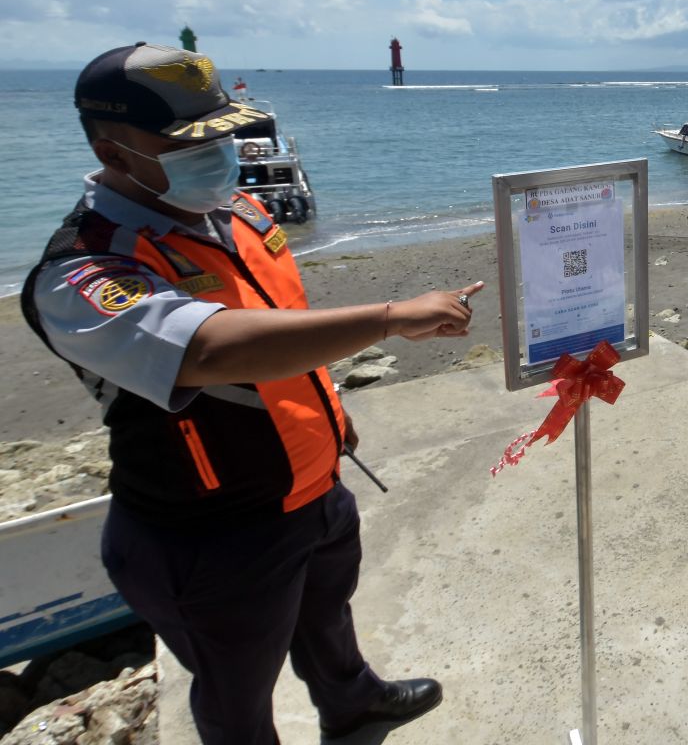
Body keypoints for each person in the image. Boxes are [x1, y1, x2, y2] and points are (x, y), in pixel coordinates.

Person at [21, 42, 482, 744]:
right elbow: (206, 347)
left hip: (311, 482)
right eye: (190, 143)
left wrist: (329, 409)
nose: (223, 152)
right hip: (210, 527)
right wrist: (389, 318)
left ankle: (352, 700)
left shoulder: (232, 213)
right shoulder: (84, 270)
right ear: (114, 154)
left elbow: (283, 326)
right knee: (237, 685)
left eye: (227, 132)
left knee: (328, 614)